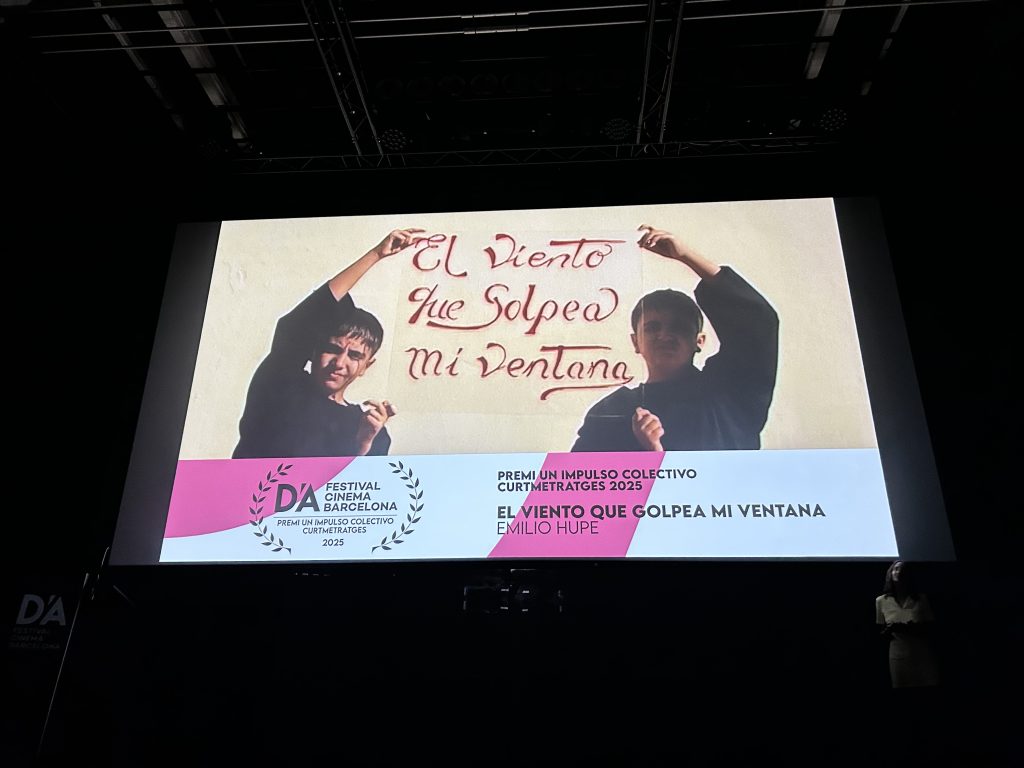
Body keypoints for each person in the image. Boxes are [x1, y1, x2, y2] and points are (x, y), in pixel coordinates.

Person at [571, 224, 779, 453]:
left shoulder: (730, 393)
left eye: (679, 327)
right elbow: (575, 476)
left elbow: (759, 323)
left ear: (699, 341)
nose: (665, 335)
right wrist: (649, 461)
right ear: (635, 342)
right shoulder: (612, 411)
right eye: (652, 328)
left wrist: (685, 256)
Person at [232, 228, 423, 459]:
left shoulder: (370, 429)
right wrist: (376, 254)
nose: (339, 363)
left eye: (354, 355)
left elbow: (360, 481)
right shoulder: (280, 386)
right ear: (313, 350)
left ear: (367, 366)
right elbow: (295, 325)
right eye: (332, 349)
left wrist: (363, 444)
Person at [876, 560, 940, 688]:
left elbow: (932, 628)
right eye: (896, 569)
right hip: (898, 656)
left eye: (903, 569)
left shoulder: (921, 599)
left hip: (921, 654)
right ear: (890, 573)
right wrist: (890, 630)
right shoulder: (881, 601)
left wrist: (909, 628)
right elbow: (880, 631)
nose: (899, 572)